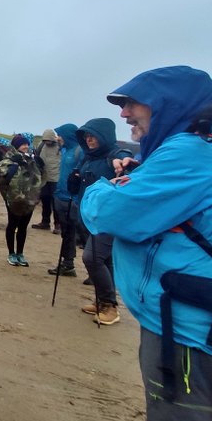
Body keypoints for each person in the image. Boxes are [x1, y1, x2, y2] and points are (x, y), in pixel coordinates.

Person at [81, 66, 212, 421]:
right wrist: (136, 178)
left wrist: (103, 187)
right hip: (197, 325)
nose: (123, 113)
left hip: (196, 337)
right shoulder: (206, 151)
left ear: (167, 104)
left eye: (133, 103)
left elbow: (109, 214)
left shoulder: (192, 154)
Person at [74, 117, 130, 324]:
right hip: (89, 217)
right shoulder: (88, 158)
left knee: (92, 258)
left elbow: (123, 155)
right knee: (105, 260)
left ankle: (110, 307)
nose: (89, 140)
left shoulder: (112, 154)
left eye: (93, 136)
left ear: (103, 136)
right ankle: (103, 301)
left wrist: (123, 161)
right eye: (86, 136)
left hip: (107, 220)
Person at [0, 134, 43, 267]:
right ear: (16, 146)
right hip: (14, 199)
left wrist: (40, 166)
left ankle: (20, 253)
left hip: (29, 199)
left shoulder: (32, 159)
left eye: (27, 144)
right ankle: (11, 253)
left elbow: (41, 178)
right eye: (23, 144)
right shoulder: (10, 159)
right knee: (12, 225)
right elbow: (0, 176)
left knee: (23, 227)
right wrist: (13, 167)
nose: (26, 147)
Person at [47, 124, 82, 277]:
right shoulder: (65, 149)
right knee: (66, 234)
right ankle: (68, 263)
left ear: (67, 135)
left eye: (59, 134)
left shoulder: (79, 152)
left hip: (71, 199)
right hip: (60, 196)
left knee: (75, 234)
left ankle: (73, 265)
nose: (57, 137)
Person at [32, 128, 61, 231]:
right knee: (45, 200)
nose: (47, 142)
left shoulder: (60, 145)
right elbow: (37, 157)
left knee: (56, 202)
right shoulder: (41, 145)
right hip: (44, 178)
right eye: (45, 140)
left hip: (56, 178)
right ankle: (45, 222)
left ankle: (58, 224)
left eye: (48, 140)